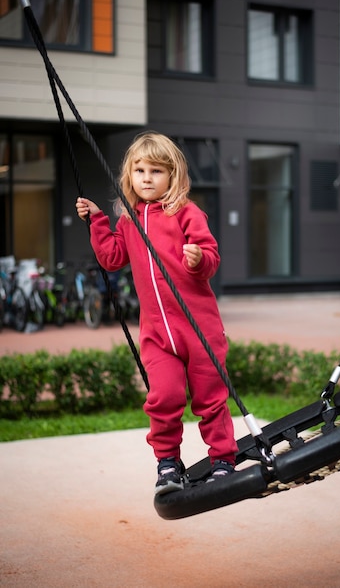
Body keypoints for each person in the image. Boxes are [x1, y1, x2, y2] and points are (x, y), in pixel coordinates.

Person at [76, 132, 238, 496]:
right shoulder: (129, 220)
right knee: (162, 398)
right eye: (139, 170)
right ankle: (168, 463)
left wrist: (198, 259)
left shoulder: (186, 212)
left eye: (156, 171)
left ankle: (223, 460)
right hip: (157, 337)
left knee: (210, 399)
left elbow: (210, 256)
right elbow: (112, 258)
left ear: (173, 175)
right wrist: (99, 221)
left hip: (199, 331)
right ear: (129, 176)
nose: (146, 178)